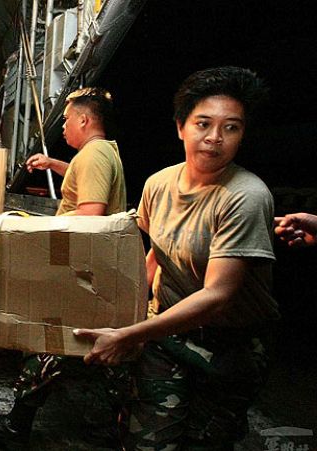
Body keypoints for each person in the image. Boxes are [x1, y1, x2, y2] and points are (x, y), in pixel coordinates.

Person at [75, 66, 277, 450]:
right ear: (181, 127)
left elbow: (218, 295)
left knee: (207, 440)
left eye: (231, 128)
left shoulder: (246, 196)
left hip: (231, 345)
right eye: (203, 123)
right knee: (147, 440)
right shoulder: (159, 183)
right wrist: (131, 315)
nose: (214, 138)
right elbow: (157, 255)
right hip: (168, 332)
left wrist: (131, 334)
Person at [0, 87, 128, 447]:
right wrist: (54, 164)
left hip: (84, 274)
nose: (63, 128)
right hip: (98, 272)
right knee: (89, 356)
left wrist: (37, 229)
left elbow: (91, 213)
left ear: (85, 120)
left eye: (69, 119)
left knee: (47, 343)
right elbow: (86, 178)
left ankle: (16, 427)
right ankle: (119, 423)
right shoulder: (101, 153)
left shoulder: (95, 156)